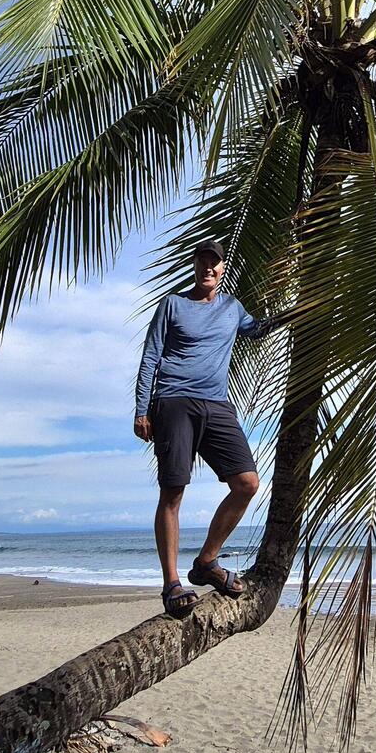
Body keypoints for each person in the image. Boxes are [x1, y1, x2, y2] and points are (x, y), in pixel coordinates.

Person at [134, 238, 288, 619]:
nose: (208, 268)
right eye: (203, 261)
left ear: (222, 269)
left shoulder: (232, 308)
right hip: (173, 402)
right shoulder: (173, 304)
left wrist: (296, 309)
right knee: (173, 491)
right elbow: (151, 354)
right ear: (195, 265)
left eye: (215, 263)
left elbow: (258, 329)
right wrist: (142, 410)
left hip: (217, 406)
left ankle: (206, 562)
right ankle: (171, 583)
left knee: (247, 483)